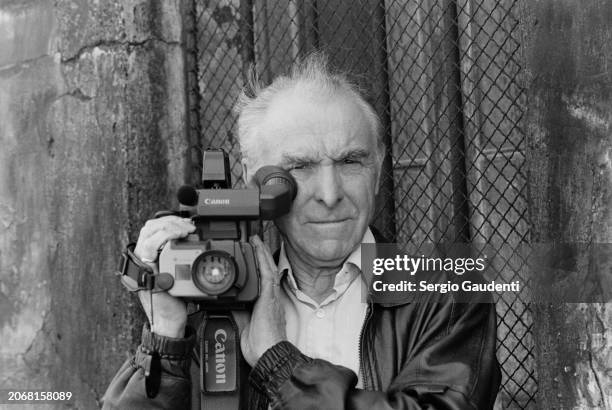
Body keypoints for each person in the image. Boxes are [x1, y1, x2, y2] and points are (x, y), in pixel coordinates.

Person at [102, 54, 501, 409]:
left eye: (350, 161)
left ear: (378, 168)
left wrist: (278, 365)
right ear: (253, 178)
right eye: (300, 167)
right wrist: (167, 337)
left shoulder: (450, 295)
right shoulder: (209, 298)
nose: (330, 195)